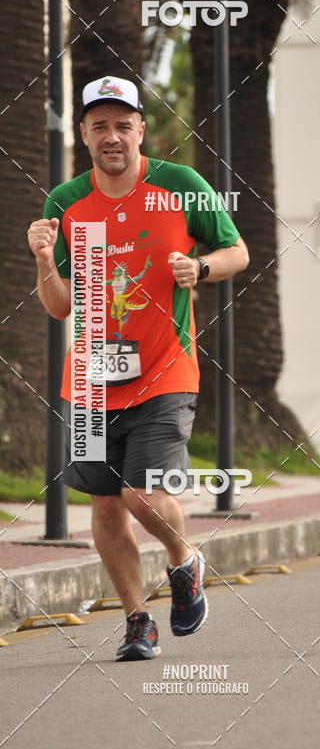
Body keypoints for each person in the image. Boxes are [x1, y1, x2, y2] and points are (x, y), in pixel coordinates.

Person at [27, 76, 249, 660]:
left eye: (123, 124)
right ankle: (136, 622)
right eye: (99, 125)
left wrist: (199, 270)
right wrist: (46, 260)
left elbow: (238, 251)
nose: (112, 136)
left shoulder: (180, 186)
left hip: (164, 371)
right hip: (90, 380)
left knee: (142, 495)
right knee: (103, 503)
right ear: (84, 133)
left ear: (140, 130)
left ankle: (184, 560)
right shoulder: (66, 203)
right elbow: (58, 306)